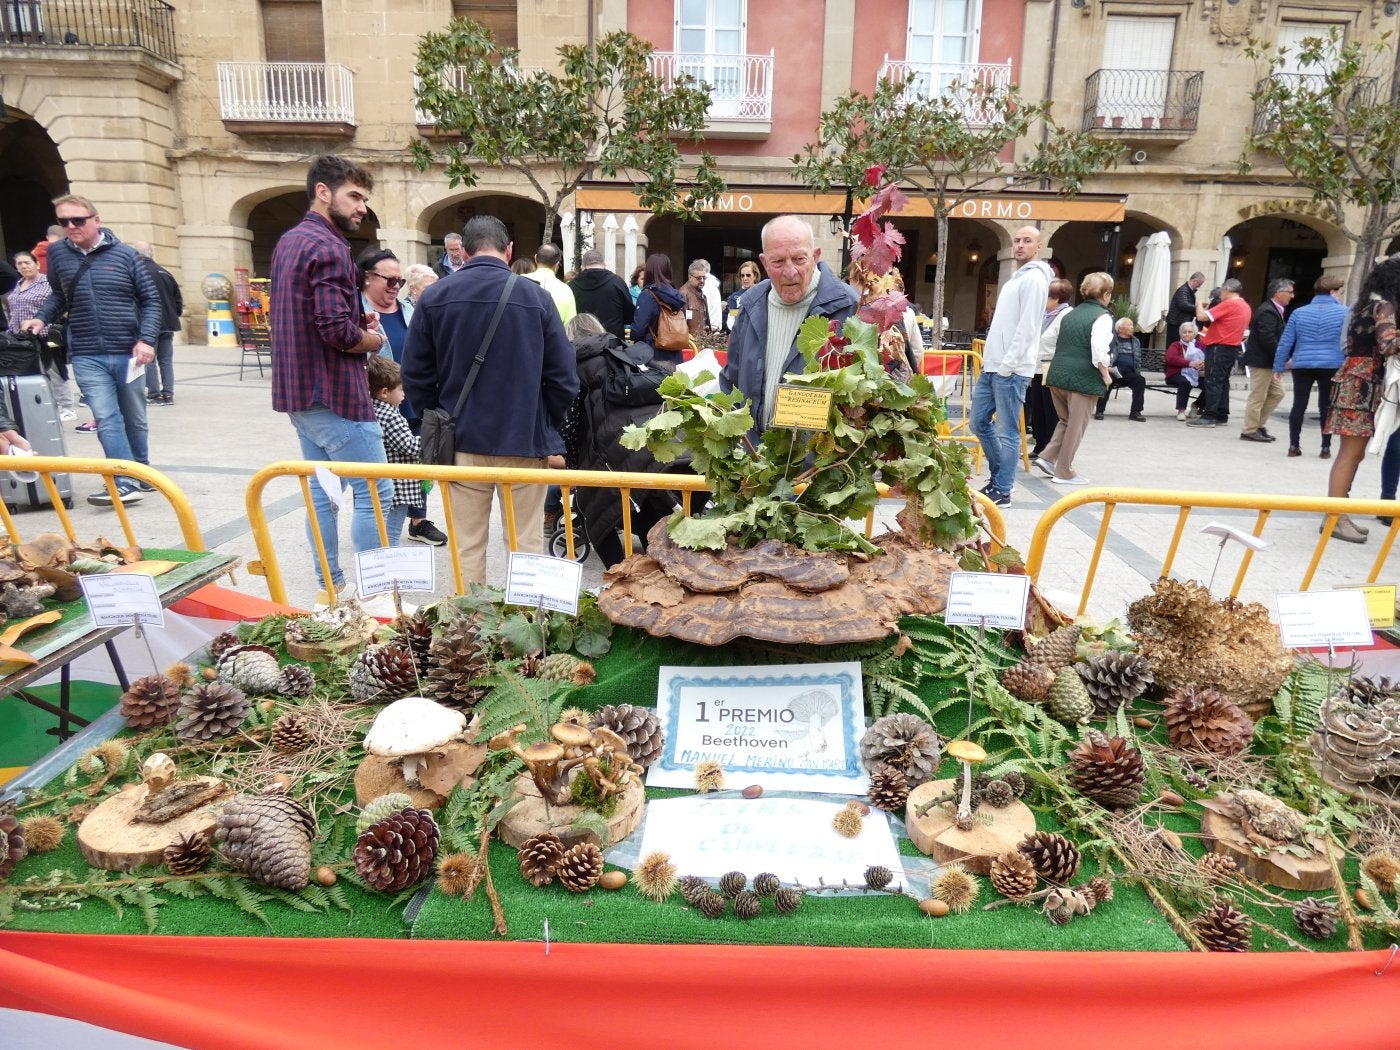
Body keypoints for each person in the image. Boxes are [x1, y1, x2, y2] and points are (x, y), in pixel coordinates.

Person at [401, 215, 578, 584]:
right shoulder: (537, 298)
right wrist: (544, 422)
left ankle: (470, 634)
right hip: (524, 444)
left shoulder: (434, 297)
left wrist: (429, 421)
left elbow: (415, 374)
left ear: (463, 252)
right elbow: (564, 379)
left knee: (467, 545)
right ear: (509, 250)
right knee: (525, 543)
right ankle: (528, 630)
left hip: (461, 442)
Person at [267, 155, 394, 605]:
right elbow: (336, 332)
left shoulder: (289, 241)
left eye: (364, 198)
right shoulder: (329, 246)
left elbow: (309, 316)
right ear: (324, 191)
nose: (362, 207)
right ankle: (376, 595)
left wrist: (354, 321)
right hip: (333, 394)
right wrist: (373, 339)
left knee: (324, 494)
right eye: (354, 196)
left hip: (300, 395)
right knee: (376, 493)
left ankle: (330, 585)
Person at [21, 193, 160, 506]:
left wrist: (147, 339)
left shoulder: (125, 254)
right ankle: (123, 481)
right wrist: (41, 318)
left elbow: (151, 300)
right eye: (64, 221)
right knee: (107, 417)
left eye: (78, 220)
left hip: (128, 350)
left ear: (96, 220)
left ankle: (143, 472)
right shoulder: (58, 255)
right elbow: (59, 296)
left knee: (135, 417)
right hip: (86, 351)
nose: (71, 226)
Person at [564, 313, 697, 567]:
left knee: (596, 520)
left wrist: (573, 469)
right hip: (660, 451)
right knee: (652, 520)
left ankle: (619, 580)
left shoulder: (574, 364)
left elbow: (570, 426)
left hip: (618, 454)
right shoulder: (622, 352)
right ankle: (658, 582)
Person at [720, 215, 860, 431]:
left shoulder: (851, 308)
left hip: (819, 462)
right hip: (754, 459)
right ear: (764, 263)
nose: (790, 271)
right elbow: (731, 381)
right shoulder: (750, 306)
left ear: (815, 256)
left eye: (799, 259)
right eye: (777, 262)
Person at [357, 246, 447, 547]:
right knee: (382, 480)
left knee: (415, 462)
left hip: (410, 396)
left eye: (400, 282)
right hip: (378, 400)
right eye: (390, 280)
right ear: (368, 278)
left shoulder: (409, 310)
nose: (396, 287)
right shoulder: (355, 311)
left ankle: (418, 521)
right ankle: (380, 542)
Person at [971, 225, 1053, 506]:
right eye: (1017, 240)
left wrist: (1008, 365)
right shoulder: (1017, 278)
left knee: (1007, 431)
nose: (1020, 245)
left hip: (1011, 369)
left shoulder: (1034, 280)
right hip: (995, 366)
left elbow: (1029, 327)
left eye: (1027, 241)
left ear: (1038, 246)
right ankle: (1001, 479)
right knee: (978, 422)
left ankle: (1002, 488)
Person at [1322, 257, 1400, 544]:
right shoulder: (1385, 307)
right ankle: (1335, 517)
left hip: (1352, 379)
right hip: (1363, 385)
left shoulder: (1361, 306)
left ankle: (1339, 513)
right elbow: (1389, 345)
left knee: (1351, 454)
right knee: (1350, 454)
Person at [1036, 272, 1115, 486]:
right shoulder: (1102, 316)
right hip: (1082, 377)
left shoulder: (1071, 314)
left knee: (1066, 420)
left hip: (1057, 374)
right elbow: (1099, 349)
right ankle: (1064, 471)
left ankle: (1047, 457)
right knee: (1076, 425)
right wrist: (1106, 374)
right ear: (1106, 294)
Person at [1273, 274, 1346, 459]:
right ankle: (1325, 447)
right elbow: (1348, 341)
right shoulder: (1344, 312)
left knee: (1299, 404)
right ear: (1332, 292)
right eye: (1339, 292)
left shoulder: (1299, 312)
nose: (1340, 295)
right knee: (1326, 406)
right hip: (1331, 363)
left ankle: (1293, 445)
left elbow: (1286, 341)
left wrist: (1278, 366)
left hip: (1302, 363)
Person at [366, 355, 431, 546]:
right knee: (392, 533)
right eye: (401, 389)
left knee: (384, 529)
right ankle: (390, 567)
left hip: (389, 483)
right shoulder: (390, 415)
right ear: (384, 392)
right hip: (399, 487)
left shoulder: (374, 409)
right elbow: (409, 446)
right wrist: (431, 442)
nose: (405, 395)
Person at [7, 250, 76, 422]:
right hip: (20, 338)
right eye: (19, 264)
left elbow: (59, 305)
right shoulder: (19, 284)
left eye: (27, 263)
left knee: (54, 370)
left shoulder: (47, 283)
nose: (24, 266)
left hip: (45, 336)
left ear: (37, 264)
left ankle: (66, 406)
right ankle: (45, 405)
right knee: (32, 372)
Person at [1189, 277, 1251, 428]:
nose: (1220, 295)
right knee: (1223, 381)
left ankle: (1209, 416)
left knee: (1213, 381)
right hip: (1232, 347)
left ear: (1227, 290)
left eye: (1222, 291)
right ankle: (1222, 413)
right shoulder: (1245, 306)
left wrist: (1198, 304)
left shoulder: (1229, 304)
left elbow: (1202, 317)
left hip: (1219, 346)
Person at [1240, 278, 1292, 442]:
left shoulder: (1276, 310)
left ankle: (1258, 424)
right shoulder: (1267, 311)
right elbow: (1267, 338)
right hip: (1262, 361)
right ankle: (1249, 430)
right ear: (1279, 293)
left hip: (1268, 361)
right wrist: (1282, 357)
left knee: (1278, 393)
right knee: (1258, 396)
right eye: (1289, 292)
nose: (1292, 295)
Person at [131, 242, 183, 407]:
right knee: (166, 360)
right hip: (168, 322)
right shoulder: (165, 272)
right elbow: (178, 299)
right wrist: (174, 315)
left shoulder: (138, 273)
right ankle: (168, 393)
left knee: (149, 359)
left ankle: (154, 394)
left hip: (148, 323)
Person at [1029, 277, 1073, 457]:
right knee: (1037, 408)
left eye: (1047, 297)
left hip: (1053, 369)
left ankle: (1049, 449)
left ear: (1057, 298)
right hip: (1038, 368)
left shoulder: (1066, 315)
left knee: (1051, 410)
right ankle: (1039, 446)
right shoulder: (1045, 314)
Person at [631, 253, 689, 366]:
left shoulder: (647, 295)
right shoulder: (677, 295)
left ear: (649, 271)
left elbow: (638, 330)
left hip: (653, 356)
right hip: (676, 356)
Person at [567, 249, 634, 341]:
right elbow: (629, 315)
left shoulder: (572, 286)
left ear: (582, 266)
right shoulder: (617, 283)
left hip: (582, 342)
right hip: (613, 342)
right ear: (604, 264)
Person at [1094, 317, 1148, 421]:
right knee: (1106, 380)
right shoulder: (1111, 340)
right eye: (1129, 325)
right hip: (1112, 371)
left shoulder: (1135, 341)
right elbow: (1104, 354)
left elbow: (1138, 359)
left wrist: (1137, 372)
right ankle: (1100, 411)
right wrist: (1107, 367)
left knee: (1140, 380)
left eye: (1132, 325)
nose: (1132, 327)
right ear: (1120, 328)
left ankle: (1135, 412)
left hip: (1128, 373)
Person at [521, 243, 576, 323]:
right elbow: (570, 325)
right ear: (557, 265)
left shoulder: (519, 281)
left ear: (535, 258)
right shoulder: (566, 290)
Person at [1165, 322, 1205, 421]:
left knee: (1211, 384)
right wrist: (1190, 363)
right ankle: (1181, 411)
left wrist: (1202, 364)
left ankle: (1196, 405)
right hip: (1176, 374)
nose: (1187, 334)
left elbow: (1206, 358)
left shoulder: (1200, 346)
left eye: (1190, 332)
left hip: (1196, 374)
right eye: (1184, 332)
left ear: (1195, 334)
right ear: (1181, 334)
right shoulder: (1176, 345)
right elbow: (1170, 358)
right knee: (1185, 382)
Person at [724, 260, 760, 333]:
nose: (745, 278)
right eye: (742, 275)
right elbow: (731, 318)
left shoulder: (762, 293)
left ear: (755, 276)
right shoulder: (734, 297)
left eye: (748, 275)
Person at [1166, 270, 1205, 335]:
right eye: (1199, 284)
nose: (1199, 286)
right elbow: (1183, 305)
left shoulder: (1188, 290)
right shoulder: (1183, 290)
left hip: (1179, 322)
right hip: (1176, 323)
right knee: (1174, 343)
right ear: (1194, 281)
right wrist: (1198, 307)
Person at [681, 261, 709, 337]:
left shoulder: (701, 294)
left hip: (701, 341)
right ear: (690, 277)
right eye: (699, 278)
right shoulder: (683, 294)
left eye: (704, 277)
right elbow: (681, 323)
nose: (702, 280)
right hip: (689, 344)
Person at [694, 258, 722, 331]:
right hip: (714, 327)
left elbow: (701, 310)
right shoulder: (713, 285)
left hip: (706, 329)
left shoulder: (704, 286)